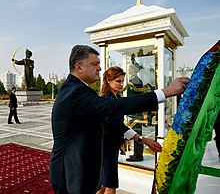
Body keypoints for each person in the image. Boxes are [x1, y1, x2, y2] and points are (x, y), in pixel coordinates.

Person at [49, 45, 189, 194]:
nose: (99, 68)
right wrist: (165, 92)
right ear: (79, 67)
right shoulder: (76, 92)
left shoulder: (76, 89)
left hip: (79, 168)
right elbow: (115, 108)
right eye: (94, 64)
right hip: (72, 172)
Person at [97, 66, 162, 194]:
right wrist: (141, 139)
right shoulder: (107, 99)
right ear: (108, 81)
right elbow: (116, 125)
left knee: (104, 183)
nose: (121, 84)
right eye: (118, 81)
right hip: (107, 145)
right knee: (111, 183)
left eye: (122, 81)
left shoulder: (115, 97)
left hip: (109, 145)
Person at [126, 63, 145, 162]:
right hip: (136, 110)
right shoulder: (135, 79)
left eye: (130, 68)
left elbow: (132, 97)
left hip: (135, 111)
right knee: (136, 132)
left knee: (137, 133)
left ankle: (138, 155)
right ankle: (137, 153)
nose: (128, 70)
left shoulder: (135, 80)